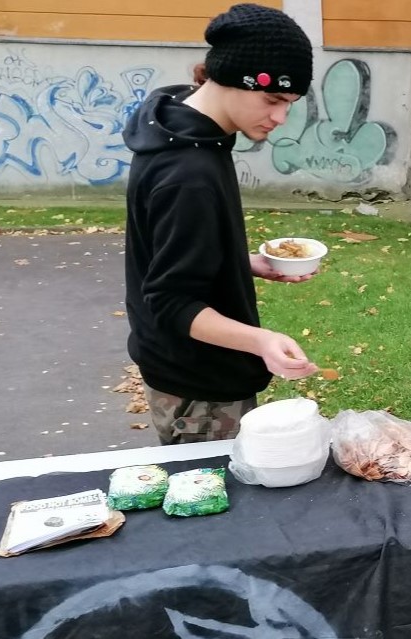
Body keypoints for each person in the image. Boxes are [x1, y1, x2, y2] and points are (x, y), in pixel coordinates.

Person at [123, 4, 319, 445]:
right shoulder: (190, 173)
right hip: (199, 388)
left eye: (289, 104)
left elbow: (167, 250)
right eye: (272, 100)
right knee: (214, 504)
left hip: (181, 367)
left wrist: (241, 261)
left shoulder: (181, 124)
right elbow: (171, 302)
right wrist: (262, 341)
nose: (280, 118)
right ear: (229, 77)